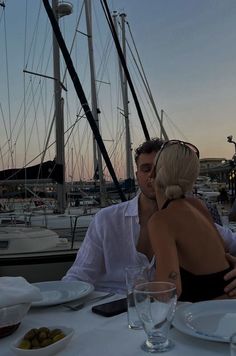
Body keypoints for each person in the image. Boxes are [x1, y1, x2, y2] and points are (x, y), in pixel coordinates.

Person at [63, 138, 236, 296]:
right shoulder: (106, 220)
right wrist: (62, 301)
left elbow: (168, 290)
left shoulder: (190, 214)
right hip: (109, 310)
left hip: (163, 314)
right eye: (145, 168)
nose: (152, 174)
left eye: (159, 168)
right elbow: (80, 275)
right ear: (138, 175)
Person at [148, 139, 234, 302]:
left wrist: (139, 292)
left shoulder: (161, 221)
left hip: (199, 319)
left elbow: (168, 292)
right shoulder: (198, 205)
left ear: (152, 174)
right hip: (227, 313)